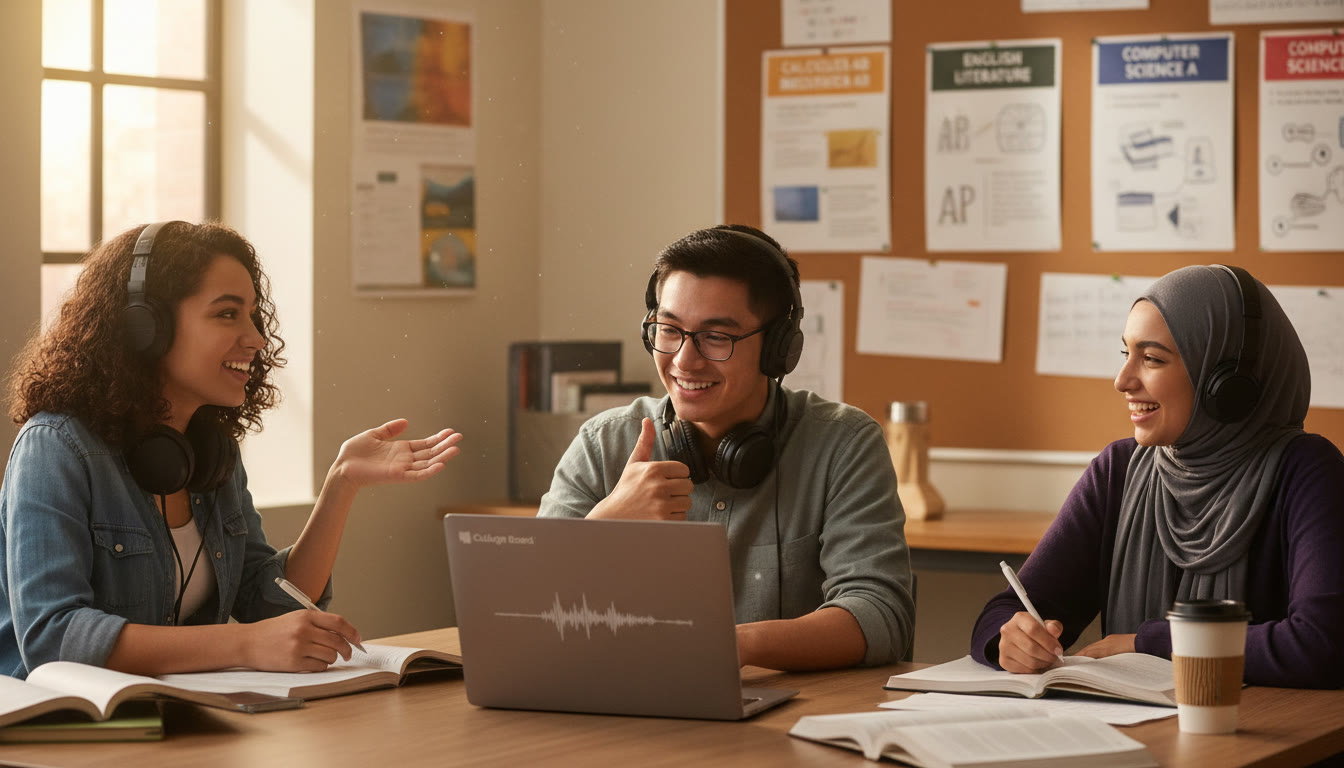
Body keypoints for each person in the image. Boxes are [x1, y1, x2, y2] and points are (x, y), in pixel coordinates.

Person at [1, 221, 463, 679]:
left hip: (184, 719)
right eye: (227, 314)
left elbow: (266, 603)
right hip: (61, 736)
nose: (256, 338)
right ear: (146, 327)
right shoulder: (56, 448)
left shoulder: (210, 450)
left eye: (253, 315)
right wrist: (243, 644)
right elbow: (53, 638)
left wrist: (341, 483)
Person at [538, 224, 914, 670]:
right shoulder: (605, 442)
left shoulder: (842, 444)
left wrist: (731, 645)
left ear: (778, 349)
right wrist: (600, 530)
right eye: (669, 329)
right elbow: (522, 613)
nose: (683, 360)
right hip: (624, 712)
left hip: (784, 722)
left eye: (716, 337)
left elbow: (881, 617)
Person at [970, 264, 1344, 688]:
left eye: (1151, 359)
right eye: (1125, 354)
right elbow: (1005, 611)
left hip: (1265, 738)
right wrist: (1011, 638)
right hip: (1139, 735)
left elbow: (1324, 644)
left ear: (1226, 383)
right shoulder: (1119, 470)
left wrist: (1152, 642)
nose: (1122, 380)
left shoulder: (1308, 472)